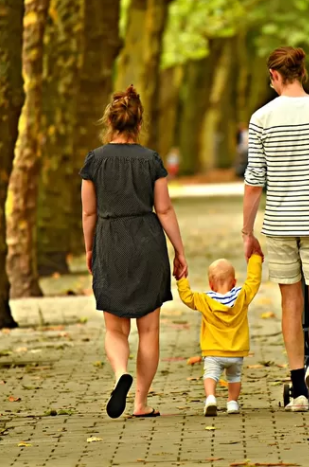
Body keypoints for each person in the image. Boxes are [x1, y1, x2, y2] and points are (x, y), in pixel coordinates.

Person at [241, 46, 309, 415]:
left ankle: (299, 388)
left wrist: (247, 230)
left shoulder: (262, 118)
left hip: (280, 223)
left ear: (275, 76)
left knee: (290, 303)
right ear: (302, 72)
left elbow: (255, 180)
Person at [80, 85, 188, 419]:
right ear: (139, 124)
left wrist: (89, 249)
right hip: (147, 241)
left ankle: (119, 375)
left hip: (110, 241)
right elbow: (165, 210)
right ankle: (140, 403)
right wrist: (180, 251)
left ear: (109, 122)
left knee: (115, 330)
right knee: (149, 331)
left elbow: (88, 213)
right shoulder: (151, 159)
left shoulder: (95, 160)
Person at [177, 254, 263, 416]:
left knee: (210, 375)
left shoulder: (204, 299)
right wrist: (255, 259)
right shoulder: (242, 296)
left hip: (213, 352)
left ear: (210, 284)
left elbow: (187, 297)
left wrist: (182, 279)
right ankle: (232, 403)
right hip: (236, 352)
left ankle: (210, 398)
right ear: (234, 282)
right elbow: (254, 281)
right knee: (234, 377)